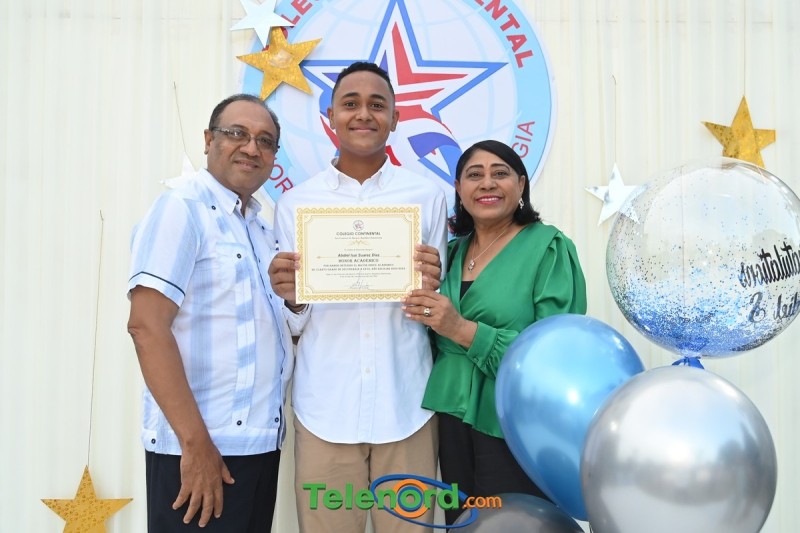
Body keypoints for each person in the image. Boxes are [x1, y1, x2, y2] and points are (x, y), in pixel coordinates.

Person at [268, 62, 448, 532]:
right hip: (325, 408)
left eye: (377, 104)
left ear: (395, 118)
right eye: (350, 104)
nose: (363, 114)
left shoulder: (427, 197)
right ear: (330, 116)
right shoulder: (296, 205)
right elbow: (293, 321)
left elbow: (437, 307)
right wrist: (293, 299)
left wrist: (433, 287)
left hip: (407, 405)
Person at [127, 94, 294, 532]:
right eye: (237, 133)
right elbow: (146, 326)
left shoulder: (261, 229)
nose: (251, 148)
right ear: (208, 140)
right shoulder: (181, 209)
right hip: (201, 451)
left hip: (257, 447)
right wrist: (195, 444)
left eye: (265, 141)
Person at [402, 140, 587, 525]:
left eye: (500, 173)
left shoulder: (548, 247)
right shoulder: (450, 253)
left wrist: (462, 329)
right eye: (475, 175)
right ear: (459, 189)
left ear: (521, 185)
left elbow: (555, 357)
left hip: (514, 421)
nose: (487, 183)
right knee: (462, 523)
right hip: (451, 418)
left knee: (511, 525)